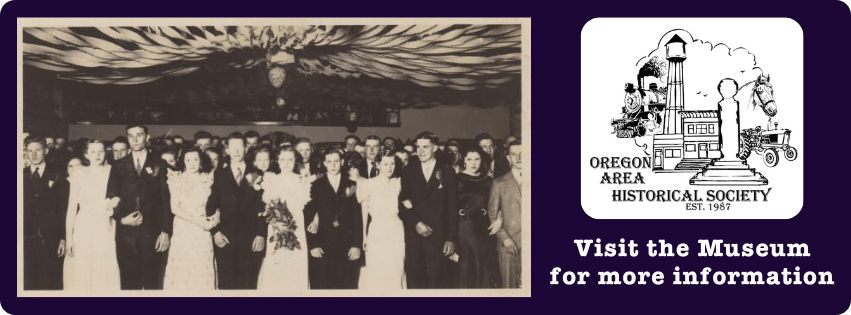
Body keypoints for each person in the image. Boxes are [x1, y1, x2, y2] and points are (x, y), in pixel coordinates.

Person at [110, 125, 173, 290]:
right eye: (131, 136)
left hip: (152, 234)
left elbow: (166, 200)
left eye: (139, 135)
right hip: (126, 236)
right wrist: (121, 219)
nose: (135, 139)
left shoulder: (159, 164)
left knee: (153, 283)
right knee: (129, 285)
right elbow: (110, 197)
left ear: (147, 137)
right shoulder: (118, 165)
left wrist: (165, 232)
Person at [206, 132, 267, 289]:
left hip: (250, 239)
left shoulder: (255, 173)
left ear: (246, 148)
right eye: (232, 147)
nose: (236, 151)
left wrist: (261, 234)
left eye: (240, 146)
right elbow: (210, 207)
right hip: (226, 239)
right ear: (226, 150)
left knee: (248, 284)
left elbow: (262, 207)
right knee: (226, 285)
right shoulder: (219, 175)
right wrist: (215, 232)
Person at [399, 131, 458, 288]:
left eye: (425, 147)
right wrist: (416, 223)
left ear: (435, 148)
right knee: (415, 284)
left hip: (438, 238)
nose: (421, 151)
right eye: (418, 147)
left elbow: (453, 208)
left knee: (437, 284)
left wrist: (451, 239)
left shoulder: (447, 171)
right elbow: (402, 203)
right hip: (414, 238)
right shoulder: (408, 170)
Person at [63, 139, 121, 290]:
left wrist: (115, 201)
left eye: (101, 151)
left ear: (105, 153)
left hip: (105, 223)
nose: (97, 155)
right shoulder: (78, 174)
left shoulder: (113, 171)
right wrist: (69, 237)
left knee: (103, 267)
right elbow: (71, 208)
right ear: (86, 154)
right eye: (93, 151)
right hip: (83, 225)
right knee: (83, 267)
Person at [304, 149, 363, 289]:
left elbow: (357, 217)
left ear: (342, 162)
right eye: (329, 161)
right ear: (324, 163)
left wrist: (356, 245)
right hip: (322, 245)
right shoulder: (315, 185)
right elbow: (308, 216)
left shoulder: (351, 184)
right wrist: (313, 244)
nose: (333, 165)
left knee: (345, 287)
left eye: (336, 161)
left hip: (346, 246)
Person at [257, 145, 312, 292]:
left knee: (296, 261)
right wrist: (276, 223)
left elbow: (308, 208)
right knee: (278, 262)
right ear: (277, 160)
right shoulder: (271, 179)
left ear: (295, 161)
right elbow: (267, 208)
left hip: (297, 228)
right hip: (276, 228)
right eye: (283, 159)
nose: (286, 163)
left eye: (290, 159)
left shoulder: (302, 180)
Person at [163, 148, 219, 290]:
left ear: (201, 161)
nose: (192, 163)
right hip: (184, 229)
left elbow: (215, 203)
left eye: (195, 159)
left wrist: (216, 216)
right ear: (183, 162)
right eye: (188, 160)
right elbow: (175, 208)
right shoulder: (177, 179)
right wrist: (199, 223)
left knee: (202, 266)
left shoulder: (208, 178)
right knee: (184, 268)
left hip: (203, 231)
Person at [452, 147, 500, 288]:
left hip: (485, 227)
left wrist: (499, 219)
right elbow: (448, 210)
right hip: (464, 226)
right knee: (468, 265)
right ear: (463, 160)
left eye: (477, 159)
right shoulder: (456, 180)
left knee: (484, 265)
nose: (473, 163)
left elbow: (498, 204)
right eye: (469, 159)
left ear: (481, 160)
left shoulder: (488, 181)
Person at [358, 151, 405, 290]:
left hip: (396, 229)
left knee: (396, 268)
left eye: (392, 164)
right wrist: (364, 236)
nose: (389, 168)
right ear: (378, 165)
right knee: (376, 269)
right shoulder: (368, 184)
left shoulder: (399, 183)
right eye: (385, 164)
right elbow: (364, 212)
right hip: (377, 230)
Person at [23, 136, 64, 290]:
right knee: (28, 283)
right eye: (30, 151)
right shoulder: (19, 175)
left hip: (50, 239)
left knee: (49, 283)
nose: (33, 154)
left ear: (46, 151)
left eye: (38, 150)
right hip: (25, 239)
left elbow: (63, 208)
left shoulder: (58, 174)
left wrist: (63, 238)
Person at [487, 140, 522, 288]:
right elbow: (492, 215)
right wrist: (505, 239)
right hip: (509, 245)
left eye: (522, 154)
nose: (518, 158)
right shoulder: (499, 183)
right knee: (510, 288)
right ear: (508, 158)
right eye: (514, 154)